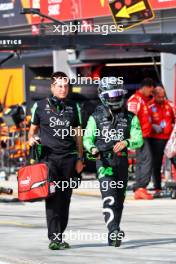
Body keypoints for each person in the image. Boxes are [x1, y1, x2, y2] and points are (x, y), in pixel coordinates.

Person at [83, 77, 143, 247]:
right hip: (104, 164)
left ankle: (113, 230)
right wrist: (92, 149)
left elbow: (139, 139)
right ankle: (114, 230)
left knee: (119, 200)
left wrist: (127, 142)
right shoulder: (95, 117)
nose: (115, 98)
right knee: (109, 197)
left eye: (118, 94)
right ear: (103, 95)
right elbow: (87, 139)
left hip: (122, 163)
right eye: (111, 94)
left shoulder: (131, 117)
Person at [28, 72, 84, 250]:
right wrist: (31, 139)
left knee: (65, 198)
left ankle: (60, 234)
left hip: (69, 159)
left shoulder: (74, 107)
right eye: (59, 86)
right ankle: (54, 237)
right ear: (52, 87)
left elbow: (78, 135)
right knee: (52, 197)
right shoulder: (40, 106)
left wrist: (80, 158)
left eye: (66, 86)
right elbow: (32, 131)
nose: (63, 89)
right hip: (48, 159)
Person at [128, 78, 154, 199]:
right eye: (151, 90)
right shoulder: (135, 100)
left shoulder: (143, 100)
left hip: (145, 135)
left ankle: (139, 187)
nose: (151, 93)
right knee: (147, 160)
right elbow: (130, 118)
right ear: (145, 87)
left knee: (141, 161)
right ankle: (141, 187)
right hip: (140, 136)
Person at [148, 86, 175, 192]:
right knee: (156, 163)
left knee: (175, 160)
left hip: (169, 140)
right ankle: (157, 187)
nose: (161, 98)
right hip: (156, 139)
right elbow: (144, 121)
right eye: (159, 96)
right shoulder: (149, 106)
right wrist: (153, 126)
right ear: (154, 95)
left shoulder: (170, 104)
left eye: (163, 96)